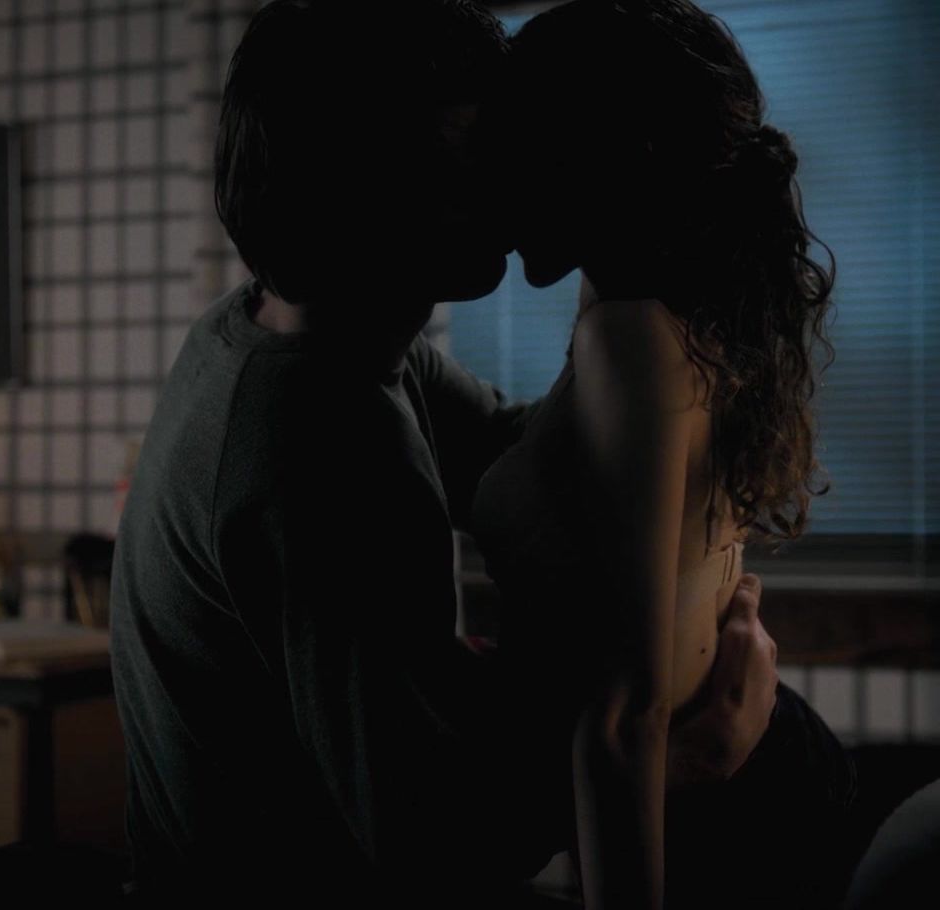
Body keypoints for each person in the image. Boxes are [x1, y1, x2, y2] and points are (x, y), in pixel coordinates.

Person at [107, 1, 782, 906]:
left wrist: (629, 272)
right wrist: (688, 756)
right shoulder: (323, 435)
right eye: (461, 162)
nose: (509, 186)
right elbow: (432, 842)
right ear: (358, 193)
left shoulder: (311, 330)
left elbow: (526, 456)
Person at [470, 1, 853, 906]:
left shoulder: (632, 339)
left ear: (613, 160)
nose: (495, 183)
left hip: (729, 811)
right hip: (732, 776)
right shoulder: (663, 312)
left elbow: (627, 711)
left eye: (522, 148)